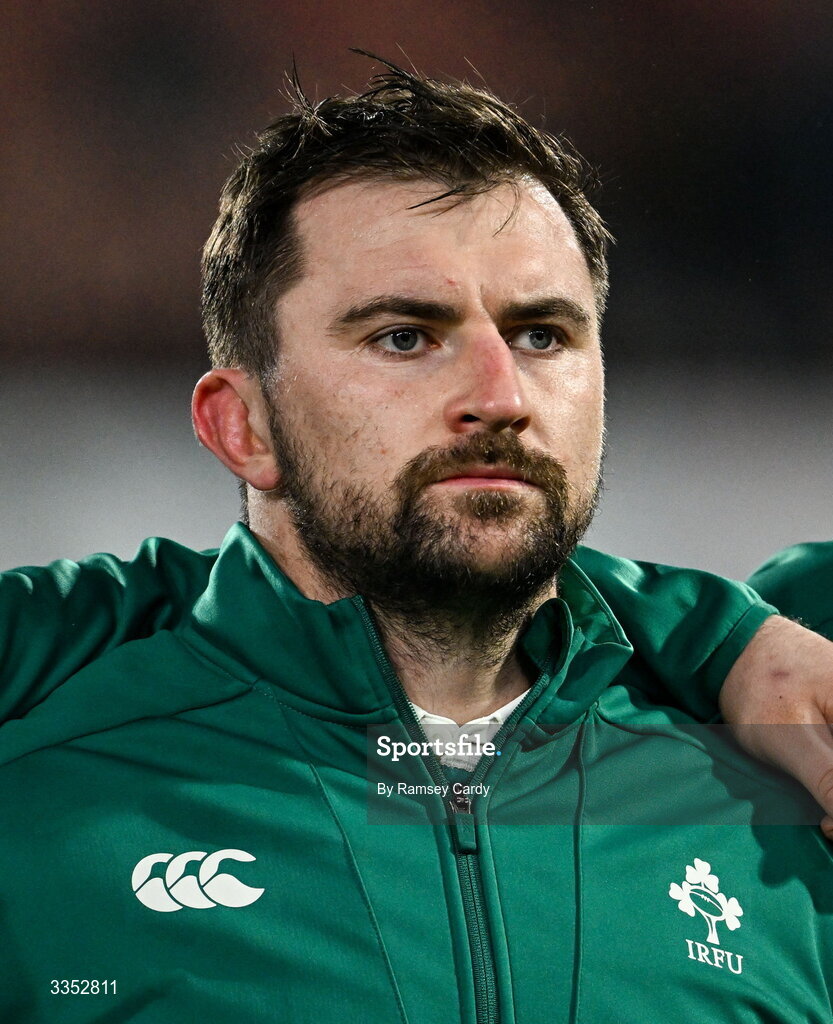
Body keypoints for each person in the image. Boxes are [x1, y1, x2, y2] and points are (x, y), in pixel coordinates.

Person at [2, 57, 832, 1021]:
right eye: (403, 337)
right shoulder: (44, 804)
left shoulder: (780, 790)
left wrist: (725, 631)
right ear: (243, 427)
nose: (499, 397)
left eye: (542, 335)